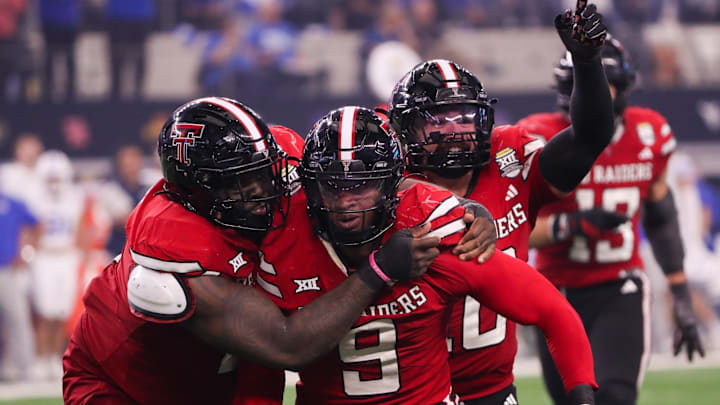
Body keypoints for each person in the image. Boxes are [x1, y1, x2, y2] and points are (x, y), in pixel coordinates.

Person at [62, 97, 441, 404]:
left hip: (224, 372)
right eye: (241, 183)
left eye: (263, 171)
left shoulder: (281, 155)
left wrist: (454, 206)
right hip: (126, 382)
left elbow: (359, 171)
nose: (263, 189)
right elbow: (286, 345)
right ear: (199, 192)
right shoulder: (175, 251)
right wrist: (378, 270)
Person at [242, 107, 598, 405]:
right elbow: (265, 361)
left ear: (391, 184)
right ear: (310, 186)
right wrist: (380, 271)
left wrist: (582, 395)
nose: (345, 200)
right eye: (331, 184)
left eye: (361, 184)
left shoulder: (430, 230)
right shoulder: (283, 240)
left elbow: (552, 310)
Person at [386, 2, 614, 403]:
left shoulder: (511, 161)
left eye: (464, 118)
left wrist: (588, 63)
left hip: (491, 389)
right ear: (406, 129)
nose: (454, 131)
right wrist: (458, 208)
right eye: (438, 120)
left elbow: (589, 138)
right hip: (413, 391)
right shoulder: (390, 186)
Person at [518, 35, 705, 405]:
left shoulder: (648, 132)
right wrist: (571, 225)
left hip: (619, 286)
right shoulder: (536, 136)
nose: (598, 97)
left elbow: (661, 215)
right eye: (587, 87)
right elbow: (512, 227)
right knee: (575, 400)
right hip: (554, 293)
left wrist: (680, 292)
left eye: (608, 86)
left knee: (615, 397)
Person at [28, 151, 86, 380]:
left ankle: (54, 357)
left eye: (56, 177)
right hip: (44, 257)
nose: (53, 183)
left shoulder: (75, 197)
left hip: (66, 256)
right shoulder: (34, 197)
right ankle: (40, 358)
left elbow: (81, 229)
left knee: (61, 311)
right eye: (49, 178)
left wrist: (80, 252)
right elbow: (31, 230)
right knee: (45, 311)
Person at [0, 191, 40, 381]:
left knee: (17, 318)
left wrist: (27, 252)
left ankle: (23, 367)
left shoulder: (10, 202)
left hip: (7, 269)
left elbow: (36, 223)